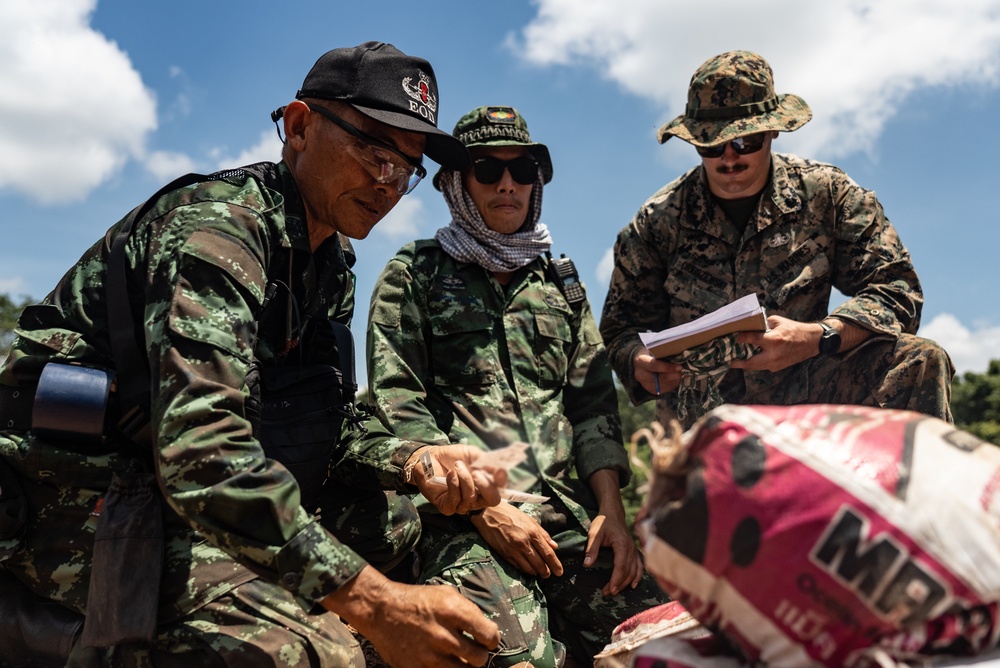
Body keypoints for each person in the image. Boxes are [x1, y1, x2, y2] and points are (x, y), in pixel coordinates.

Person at [0, 41, 510, 668]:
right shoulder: (218, 231)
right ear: (298, 127)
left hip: (173, 480)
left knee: (401, 521)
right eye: (374, 149)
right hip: (71, 486)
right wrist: (377, 605)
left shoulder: (328, 263)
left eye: (405, 168)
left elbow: (329, 419)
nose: (387, 183)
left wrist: (415, 457)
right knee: (316, 654)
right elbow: (204, 451)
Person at [366, 105, 667, 668]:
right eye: (487, 170)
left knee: (671, 641)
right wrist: (486, 508)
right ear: (457, 184)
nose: (508, 184)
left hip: (570, 521)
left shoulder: (561, 286)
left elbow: (593, 406)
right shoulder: (415, 275)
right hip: (464, 522)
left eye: (523, 171)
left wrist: (613, 514)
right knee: (520, 660)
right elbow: (398, 406)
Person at [600, 50, 954, 429]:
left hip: (812, 396)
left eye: (745, 142)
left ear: (772, 130)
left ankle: (912, 488)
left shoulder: (827, 194)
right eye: (712, 145)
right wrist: (639, 361)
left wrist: (820, 336)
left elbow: (897, 288)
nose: (729, 158)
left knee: (922, 360)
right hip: (703, 414)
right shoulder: (657, 221)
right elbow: (621, 328)